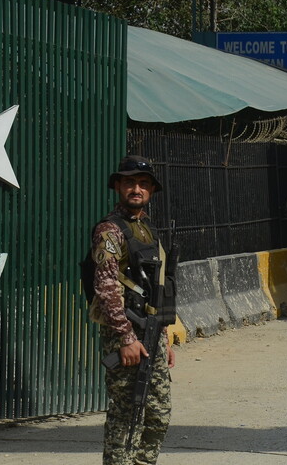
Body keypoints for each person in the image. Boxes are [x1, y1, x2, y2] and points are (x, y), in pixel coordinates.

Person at [90, 155, 176, 465]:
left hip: (151, 334)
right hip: (124, 333)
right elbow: (106, 287)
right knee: (127, 417)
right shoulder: (109, 231)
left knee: (157, 414)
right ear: (117, 186)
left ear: (152, 189)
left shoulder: (147, 229)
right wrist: (126, 337)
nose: (136, 188)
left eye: (143, 183)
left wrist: (163, 335)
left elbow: (158, 286)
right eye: (129, 182)